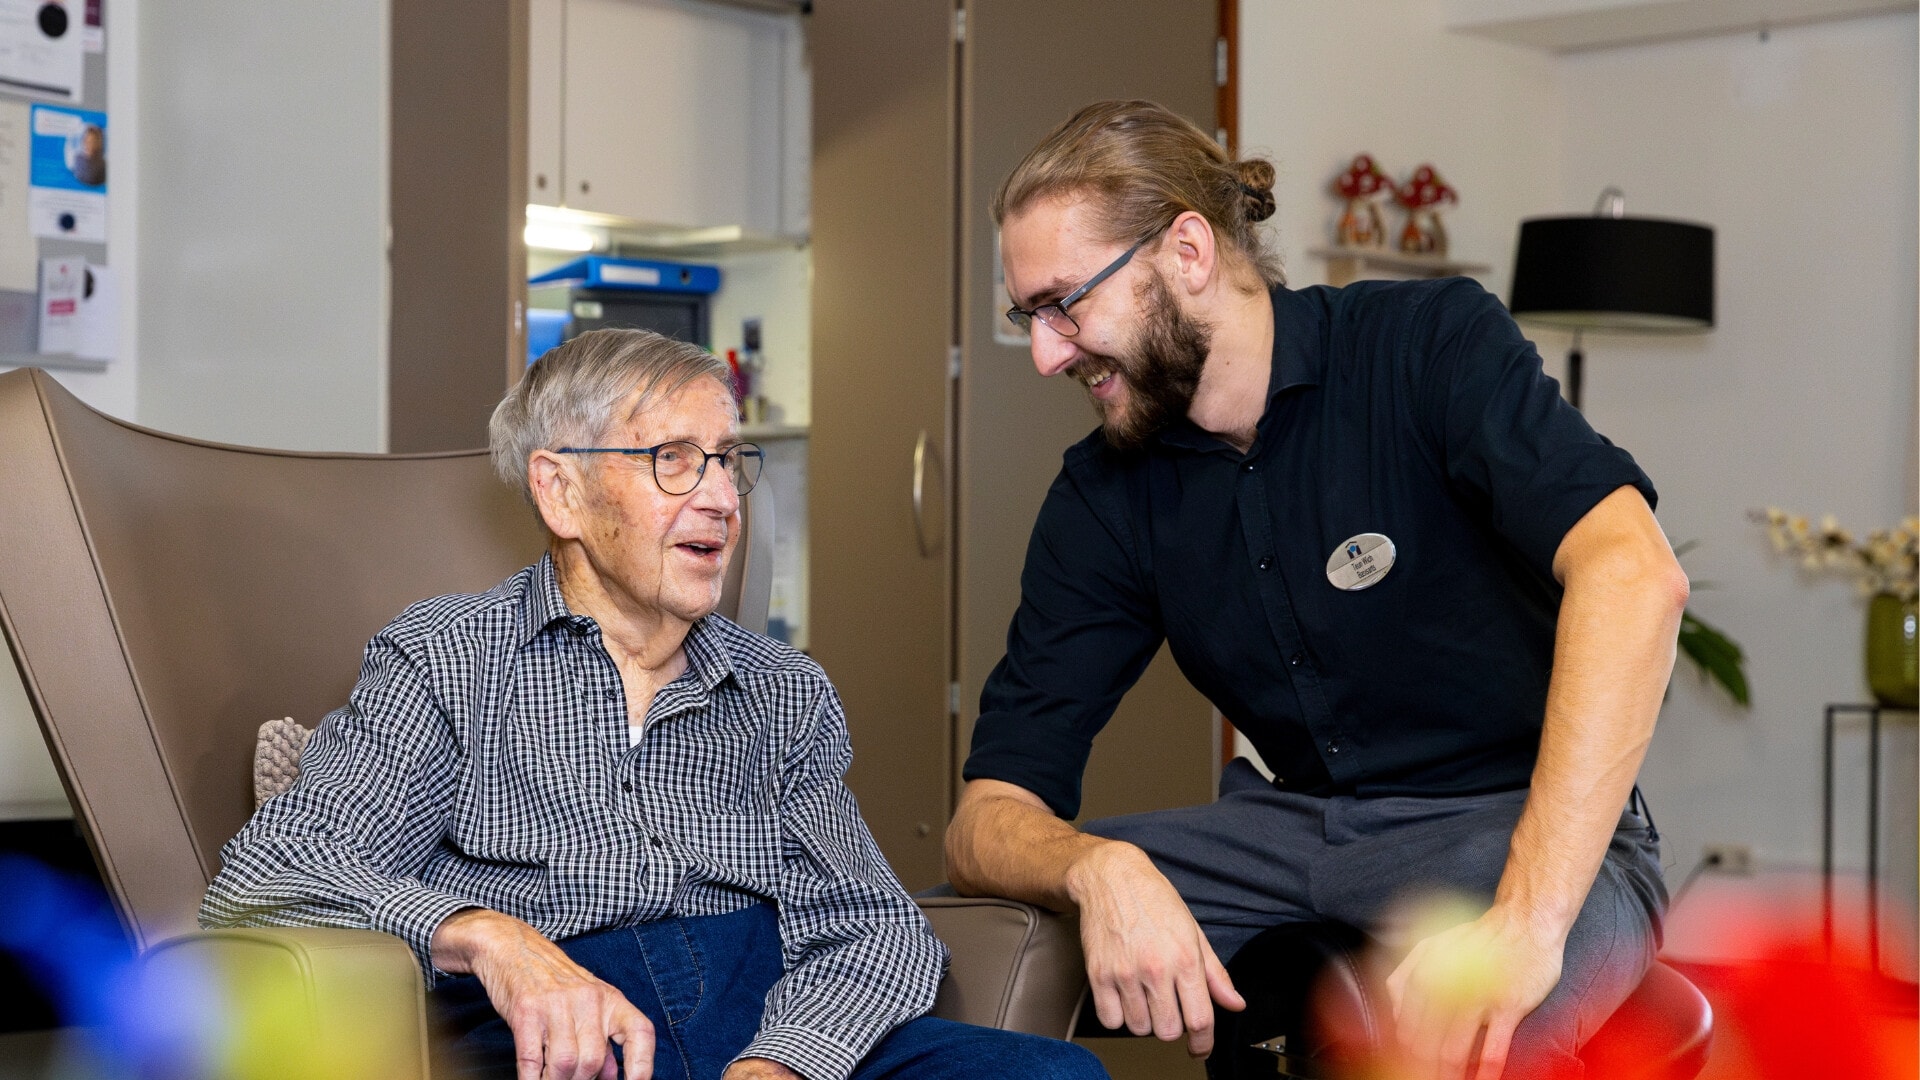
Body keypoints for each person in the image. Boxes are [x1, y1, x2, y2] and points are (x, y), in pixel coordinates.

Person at [945, 100, 1687, 1080]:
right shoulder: (1104, 492)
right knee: (945, 954)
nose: (1046, 353)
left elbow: (1635, 575)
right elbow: (986, 815)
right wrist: (1098, 867)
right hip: (1286, 832)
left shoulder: (1427, 345)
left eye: (1062, 304)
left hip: (1508, 822)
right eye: (1027, 317)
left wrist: (1524, 925)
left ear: (1189, 253)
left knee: (1470, 1027)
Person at [203, 329, 1106, 1080]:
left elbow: (871, 926)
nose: (720, 499)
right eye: (673, 461)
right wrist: (487, 938)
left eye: (726, 461)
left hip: (768, 1024)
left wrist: (783, 1063)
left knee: (1059, 1077)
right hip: (564, 1045)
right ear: (560, 489)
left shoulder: (784, 692)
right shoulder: (448, 658)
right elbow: (268, 874)